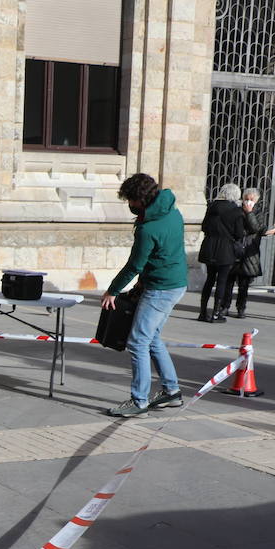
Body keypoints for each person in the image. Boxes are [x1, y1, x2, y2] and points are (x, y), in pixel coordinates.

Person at [99, 173, 188, 418]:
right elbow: (162, 255)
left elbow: (134, 264)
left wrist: (112, 291)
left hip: (161, 289)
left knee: (138, 341)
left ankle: (139, 401)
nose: (129, 205)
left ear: (140, 200)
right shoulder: (172, 212)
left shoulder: (148, 228)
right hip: (174, 283)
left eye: (130, 200)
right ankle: (171, 391)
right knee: (152, 338)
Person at [196, 183, 247, 323]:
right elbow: (238, 233)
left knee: (209, 279)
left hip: (209, 246)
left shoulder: (211, 207)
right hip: (225, 249)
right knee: (222, 281)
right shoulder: (236, 211)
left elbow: (204, 227)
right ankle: (216, 313)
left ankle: (202, 311)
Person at [231, 188, 269, 319]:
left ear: (256, 201)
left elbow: (255, 228)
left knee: (244, 285)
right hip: (234, 249)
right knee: (229, 281)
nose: (248, 201)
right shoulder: (236, 211)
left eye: (251, 199)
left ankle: (241, 308)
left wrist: (249, 213)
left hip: (249, 252)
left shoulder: (259, 213)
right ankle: (223, 306)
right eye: (246, 199)